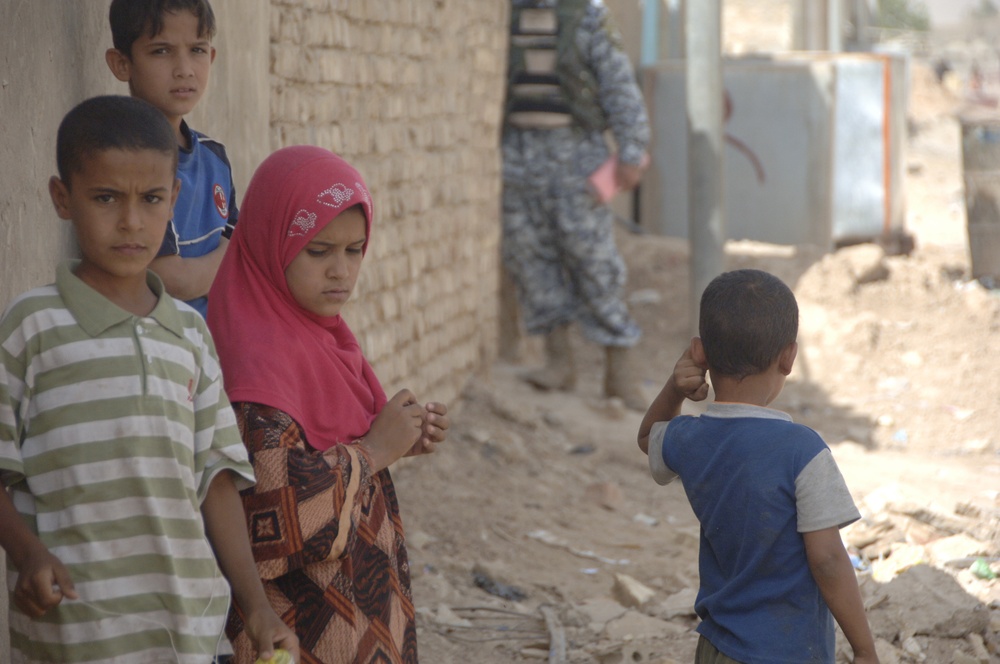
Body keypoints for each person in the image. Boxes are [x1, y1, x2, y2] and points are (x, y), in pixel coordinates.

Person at [0, 95, 297, 663]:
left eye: (151, 199)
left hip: (186, 629)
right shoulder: (31, 327)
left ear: (174, 199)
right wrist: (27, 553)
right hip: (77, 632)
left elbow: (215, 481)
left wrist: (256, 606)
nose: (131, 221)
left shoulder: (190, 334)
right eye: (106, 198)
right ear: (62, 198)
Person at [206, 145, 450, 663]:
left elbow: (338, 442)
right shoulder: (258, 365)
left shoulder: (324, 340)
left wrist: (400, 438)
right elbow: (271, 530)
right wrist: (374, 452)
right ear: (271, 243)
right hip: (299, 633)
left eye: (354, 250)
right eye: (318, 252)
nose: (341, 271)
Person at [637, 269, 879, 664]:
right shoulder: (802, 450)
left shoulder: (691, 438)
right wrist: (865, 650)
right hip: (786, 651)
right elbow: (828, 559)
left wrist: (674, 387)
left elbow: (649, 437)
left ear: (700, 353)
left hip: (715, 645)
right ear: (789, 357)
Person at [502, 0, 651, 409]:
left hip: (576, 157)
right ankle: (558, 363)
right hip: (518, 155)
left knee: (593, 260)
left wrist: (631, 149)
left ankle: (620, 371)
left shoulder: (586, 15)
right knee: (529, 257)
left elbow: (619, 85)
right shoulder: (509, 15)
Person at [106, 0, 237, 318]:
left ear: (211, 56)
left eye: (197, 50)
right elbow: (173, 281)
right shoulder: (129, 161)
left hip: (213, 343)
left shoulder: (214, 157)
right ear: (122, 64)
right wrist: (230, 257)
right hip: (159, 341)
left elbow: (244, 248)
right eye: (162, 51)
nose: (184, 69)